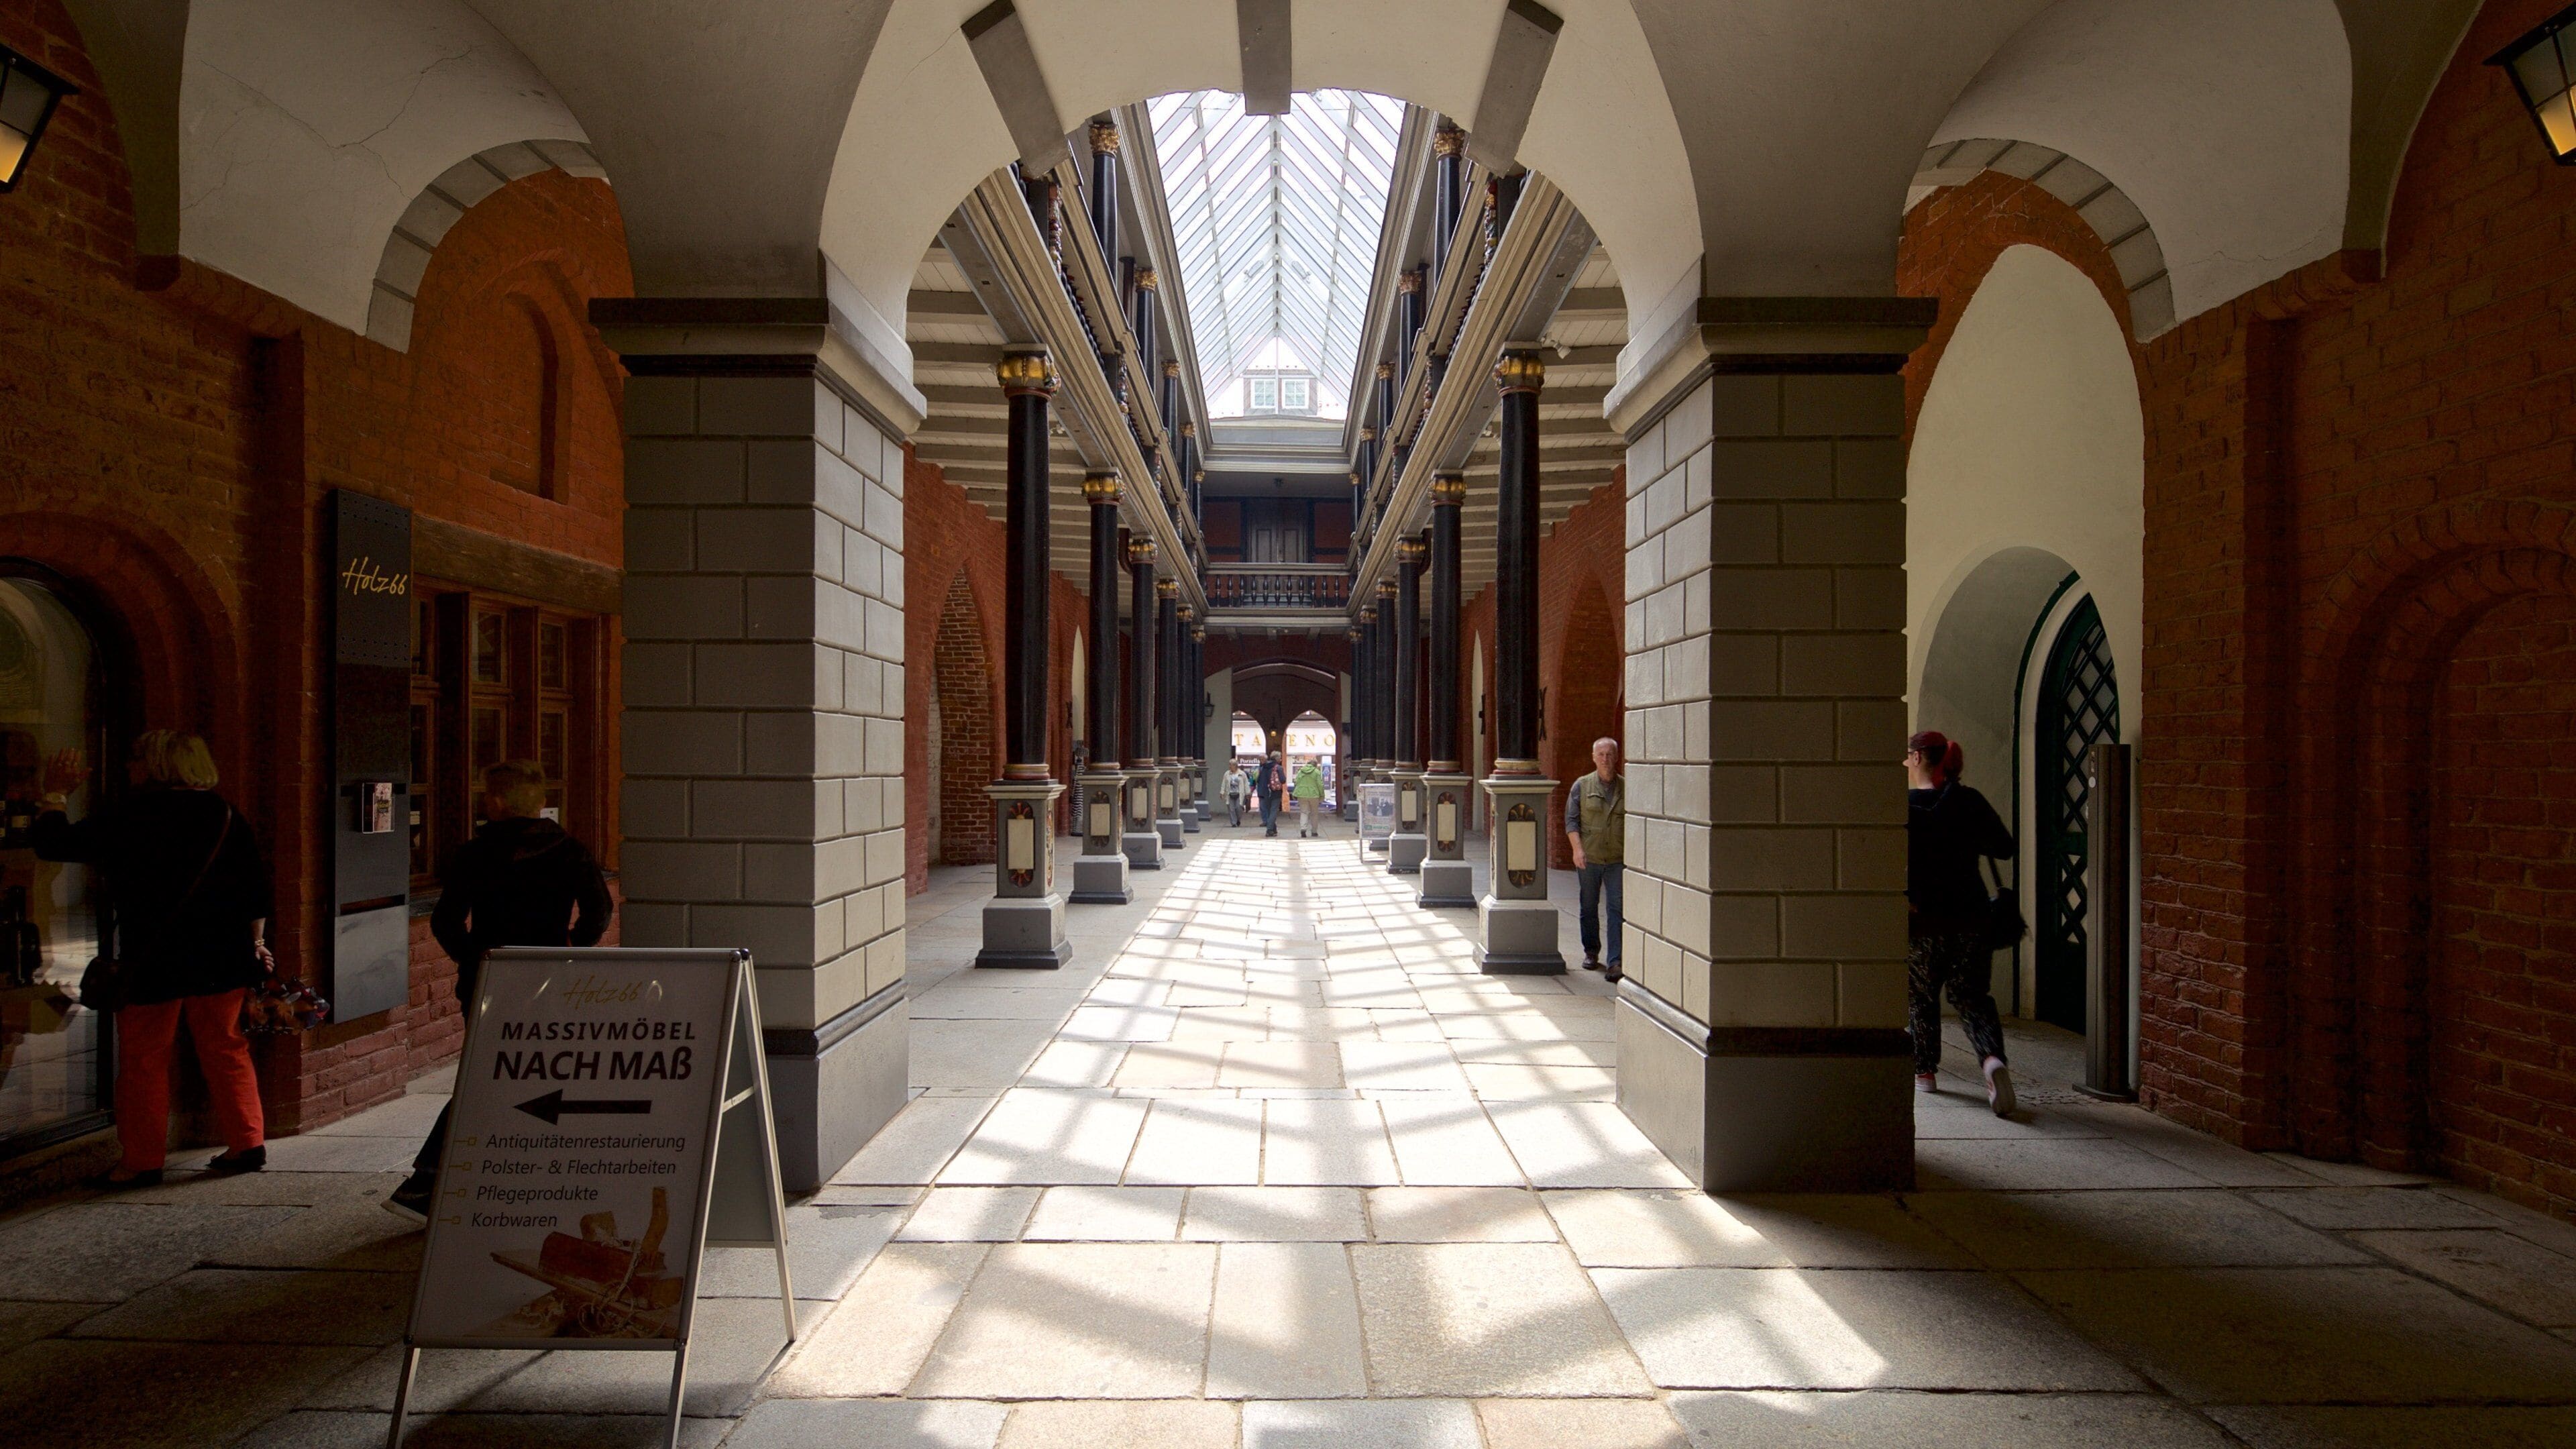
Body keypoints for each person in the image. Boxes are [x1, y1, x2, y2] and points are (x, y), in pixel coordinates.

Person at [32, 733, 272, 1189]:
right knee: (226, 1047)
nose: (129, 766)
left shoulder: (133, 815)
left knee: (144, 1060)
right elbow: (255, 892)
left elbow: (55, 843)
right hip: (222, 954)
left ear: (158, 764)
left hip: (154, 957)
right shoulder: (225, 815)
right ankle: (247, 1143)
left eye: (136, 757)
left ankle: (141, 1161)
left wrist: (56, 794)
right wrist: (257, 942)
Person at [387, 760, 613, 1222]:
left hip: (490, 976)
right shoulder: (570, 850)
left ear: (495, 803)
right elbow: (599, 910)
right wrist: (571, 947)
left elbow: (446, 920)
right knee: (539, 1070)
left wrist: (473, 958)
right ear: (540, 802)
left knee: (486, 1072)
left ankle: (429, 1177)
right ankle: (520, 1168)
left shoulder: (476, 853)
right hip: (549, 976)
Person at [1905, 729, 2018, 1116]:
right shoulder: (1969, 800)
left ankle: (1924, 1072)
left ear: (1918, 757)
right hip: (1972, 916)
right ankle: (1991, 1060)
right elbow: (2004, 847)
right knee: (1972, 996)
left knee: (1920, 996)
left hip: (1923, 919)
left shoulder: (1905, 806)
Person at [1564, 737, 1625, 982]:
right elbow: (1571, 821)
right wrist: (1577, 850)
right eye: (1601, 754)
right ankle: (1591, 951)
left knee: (1616, 908)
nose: (1605, 759)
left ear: (1617, 757)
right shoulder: (1582, 786)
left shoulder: (1626, 788)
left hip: (1617, 859)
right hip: (1589, 858)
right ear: (1593, 758)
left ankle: (1615, 961)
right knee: (1589, 906)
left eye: (1610, 754)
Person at [1291, 757, 1325, 837]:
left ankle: (1303, 828)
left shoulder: (1301, 771)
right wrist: (1322, 795)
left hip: (1302, 794)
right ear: (1315, 765)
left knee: (1304, 812)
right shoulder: (1316, 772)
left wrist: (1295, 793)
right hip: (1314, 795)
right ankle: (1314, 831)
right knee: (1314, 813)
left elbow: (1296, 782)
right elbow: (1320, 785)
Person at [1256, 751, 1286, 837]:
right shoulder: (1279, 768)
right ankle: (1269, 830)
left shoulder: (1264, 767)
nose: (1281, 759)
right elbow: (1283, 780)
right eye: (1280, 758)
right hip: (1276, 792)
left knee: (1269, 811)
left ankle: (1274, 830)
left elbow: (1259, 780)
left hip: (1266, 792)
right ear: (1277, 758)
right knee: (1274, 811)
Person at [1224, 760, 1251, 826]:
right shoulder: (1227, 774)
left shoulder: (1242, 774)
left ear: (1235, 766)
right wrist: (1222, 792)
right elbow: (1224, 783)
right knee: (1231, 809)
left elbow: (1246, 784)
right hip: (1230, 794)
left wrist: (1248, 793)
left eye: (1231, 765)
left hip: (1239, 794)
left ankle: (1238, 819)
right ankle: (1234, 823)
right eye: (1229, 765)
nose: (1230, 766)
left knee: (1239, 807)